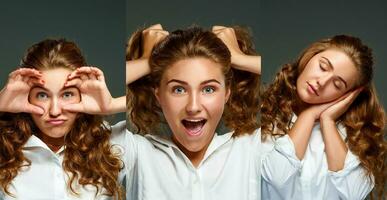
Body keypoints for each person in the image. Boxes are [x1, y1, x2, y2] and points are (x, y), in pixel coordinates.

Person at [126, 24, 261, 200]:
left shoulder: (251, 150)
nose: (193, 107)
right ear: (158, 94)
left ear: (227, 93)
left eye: (208, 89)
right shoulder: (137, 154)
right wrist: (146, 61)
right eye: (179, 90)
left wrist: (238, 58)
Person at [260, 35, 386, 200]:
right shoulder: (264, 113)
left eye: (337, 84)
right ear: (310, 56)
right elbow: (276, 176)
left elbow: (354, 194)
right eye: (323, 67)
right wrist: (309, 115)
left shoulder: (354, 136)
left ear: (348, 95)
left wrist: (327, 121)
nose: (322, 81)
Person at [0, 39, 126, 199]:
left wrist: (112, 104)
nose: (54, 111)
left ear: (82, 94)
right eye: (42, 95)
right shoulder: (5, 149)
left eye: (67, 94)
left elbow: (156, 99)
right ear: (27, 97)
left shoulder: (110, 144)